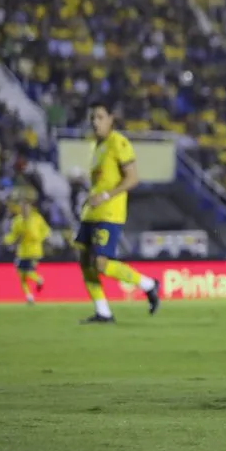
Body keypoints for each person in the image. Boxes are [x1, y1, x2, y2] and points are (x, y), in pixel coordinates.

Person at [75, 101, 160, 324]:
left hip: (109, 213)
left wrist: (104, 196)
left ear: (111, 119)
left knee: (101, 263)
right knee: (85, 261)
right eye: (93, 117)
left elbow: (132, 178)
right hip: (91, 213)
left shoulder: (118, 142)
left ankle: (148, 284)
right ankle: (102, 311)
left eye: (100, 117)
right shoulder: (98, 147)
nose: (95, 122)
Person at [2, 199, 51, 304]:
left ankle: (39, 280)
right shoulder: (17, 221)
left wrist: (39, 238)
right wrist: (7, 240)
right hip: (22, 252)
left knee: (28, 271)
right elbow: (13, 235)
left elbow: (46, 231)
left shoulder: (37, 218)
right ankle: (29, 296)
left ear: (30, 208)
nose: (24, 210)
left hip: (34, 251)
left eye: (26, 208)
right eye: (23, 208)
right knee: (21, 275)